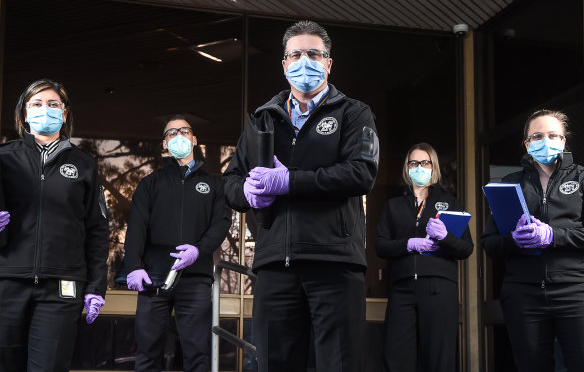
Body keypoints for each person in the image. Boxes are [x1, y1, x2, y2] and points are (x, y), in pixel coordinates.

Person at [223, 20, 379, 372]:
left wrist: (289, 182)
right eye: (295, 54)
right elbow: (230, 182)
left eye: (313, 53)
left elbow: (361, 173)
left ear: (328, 63)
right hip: (275, 264)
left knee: (338, 364)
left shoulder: (354, 113)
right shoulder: (262, 120)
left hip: (335, 264)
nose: (303, 61)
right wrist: (247, 192)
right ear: (283, 64)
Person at [0, 78, 109, 372]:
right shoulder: (3, 159)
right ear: (24, 114)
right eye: (36, 104)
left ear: (64, 113)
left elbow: (98, 230)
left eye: (52, 104)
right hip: (7, 283)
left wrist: (97, 286)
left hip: (62, 289)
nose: (44, 110)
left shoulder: (84, 165)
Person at [123, 114, 231, 372]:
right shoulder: (150, 184)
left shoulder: (214, 184)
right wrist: (134, 266)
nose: (178, 136)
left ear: (194, 139)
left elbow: (221, 223)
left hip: (195, 279)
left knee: (197, 354)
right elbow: (136, 228)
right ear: (164, 144)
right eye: (171, 133)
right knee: (148, 352)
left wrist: (199, 250)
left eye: (184, 131)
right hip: (153, 278)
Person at [482, 109, 584, 372]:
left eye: (552, 135)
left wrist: (552, 236)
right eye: (537, 136)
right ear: (527, 144)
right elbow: (490, 243)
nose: (545, 141)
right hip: (523, 295)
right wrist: (515, 240)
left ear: (563, 141)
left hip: (575, 291)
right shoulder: (510, 184)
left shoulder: (581, 179)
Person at [374, 143, 473, 372]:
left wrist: (445, 236)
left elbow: (466, 248)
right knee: (396, 357)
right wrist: (408, 244)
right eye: (414, 163)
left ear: (434, 167)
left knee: (438, 359)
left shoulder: (449, 202)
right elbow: (380, 245)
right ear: (407, 169)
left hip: (439, 288)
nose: (420, 167)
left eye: (425, 163)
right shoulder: (394, 206)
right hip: (402, 289)